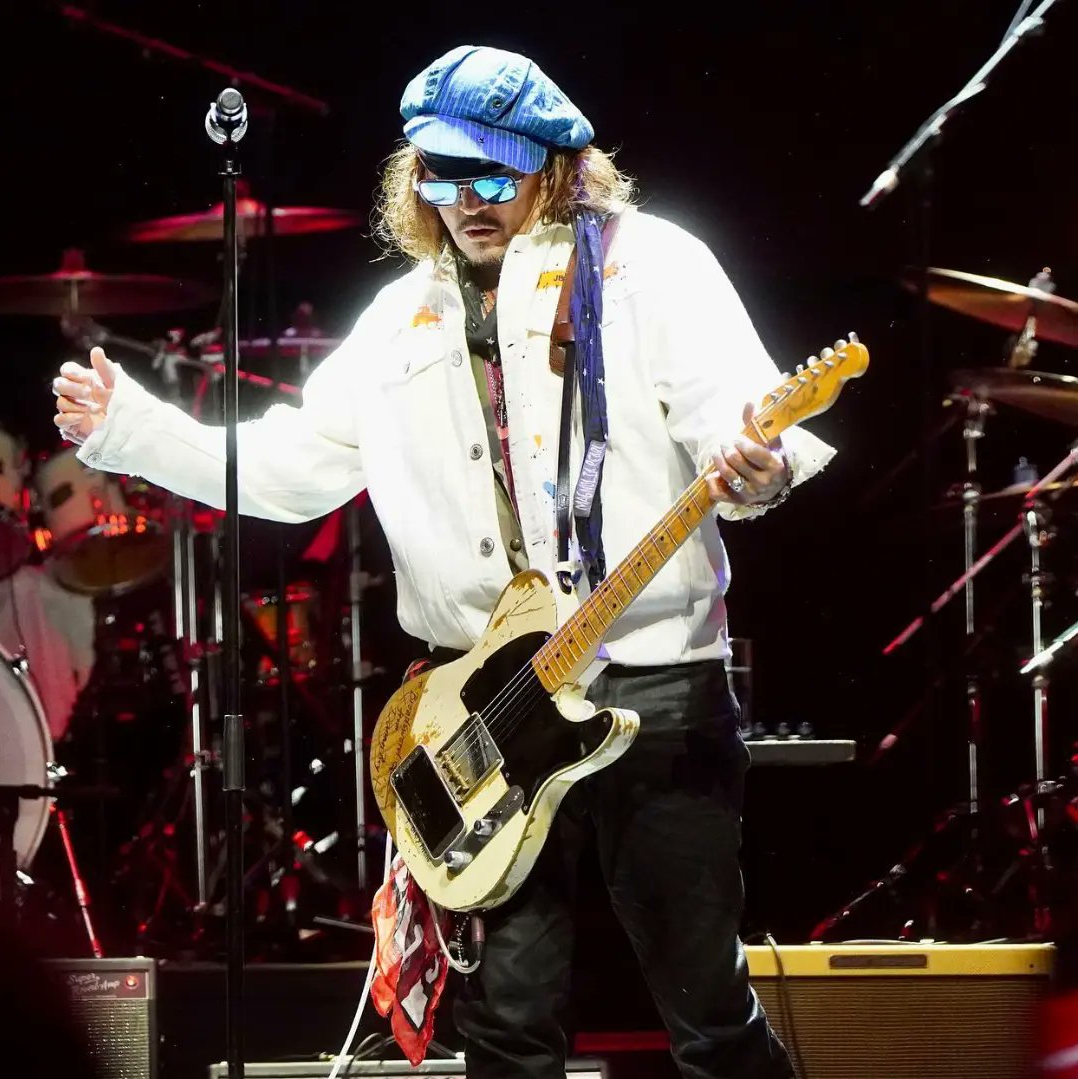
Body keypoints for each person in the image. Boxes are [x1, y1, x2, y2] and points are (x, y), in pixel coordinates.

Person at [52, 44, 835, 1079]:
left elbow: (743, 427)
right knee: (507, 1025)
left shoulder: (652, 265)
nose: (467, 199)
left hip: (654, 683)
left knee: (705, 1011)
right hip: (489, 701)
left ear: (554, 167)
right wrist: (134, 433)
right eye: (442, 174)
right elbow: (293, 469)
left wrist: (758, 463)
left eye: (492, 174)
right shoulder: (401, 317)